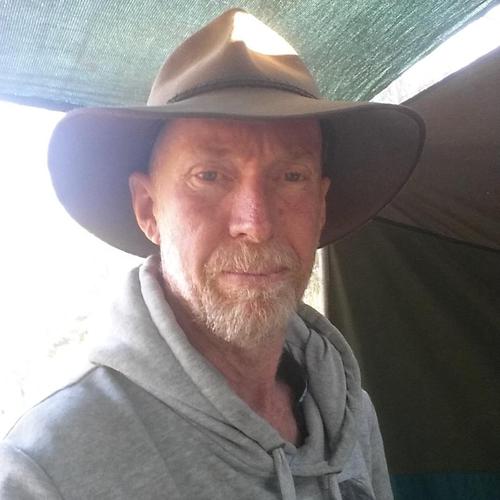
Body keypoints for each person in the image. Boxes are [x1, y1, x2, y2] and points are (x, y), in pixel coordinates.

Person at [0, 8, 424, 500]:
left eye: (291, 176)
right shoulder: (49, 467)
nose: (256, 225)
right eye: (209, 175)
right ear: (148, 209)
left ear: (321, 206)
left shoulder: (348, 415)